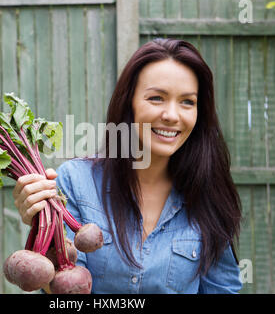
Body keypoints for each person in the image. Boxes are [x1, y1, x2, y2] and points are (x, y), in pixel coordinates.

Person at [13, 38, 243, 294]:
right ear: (129, 103)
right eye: (156, 98)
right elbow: (63, 289)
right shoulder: (75, 181)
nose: (172, 115)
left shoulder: (209, 194)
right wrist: (43, 231)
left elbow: (222, 289)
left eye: (187, 102)